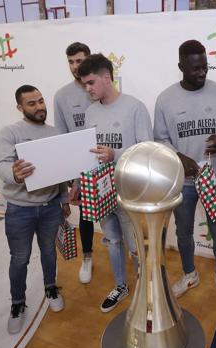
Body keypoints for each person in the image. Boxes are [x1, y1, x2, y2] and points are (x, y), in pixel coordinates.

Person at [154, 40, 216, 311]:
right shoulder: (166, 99)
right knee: (183, 233)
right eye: (194, 69)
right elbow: (160, 140)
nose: (201, 73)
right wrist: (179, 158)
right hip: (183, 181)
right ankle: (190, 275)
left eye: (205, 67)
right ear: (181, 67)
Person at [78, 54, 153, 312]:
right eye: (84, 84)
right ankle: (121, 285)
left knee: (133, 243)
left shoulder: (134, 107)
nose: (87, 89)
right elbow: (88, 153)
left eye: (90, 83)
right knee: (111, 241)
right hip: (101, 190)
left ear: (107, 77)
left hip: (128, 189)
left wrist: (116, 155)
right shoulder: (90, 112)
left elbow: (146, 151)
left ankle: (144, 284)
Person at [0, 85, 70, 334]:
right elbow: (1, 165)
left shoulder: (55, 132)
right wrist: (14, 175)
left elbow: (60, 171)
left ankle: (50, 288)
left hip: (50, 208)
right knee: (20, 259)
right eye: (31, 103)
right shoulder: (10, 133)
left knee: (49, 251)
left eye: (40, 101)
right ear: (20, 107)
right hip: (20, 210)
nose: (39, 107)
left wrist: (64, 200)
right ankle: (18, 304)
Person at [53, 42, 96, 285]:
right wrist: (71, 176)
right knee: (86, 217)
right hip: (81, 167)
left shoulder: (100, 88)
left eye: (79, 61)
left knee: (119, 215)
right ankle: (87, 257)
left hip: (107, 162)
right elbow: (62, 137)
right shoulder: (62, 96)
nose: (74, 66)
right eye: (70, 62)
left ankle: (129, 254)